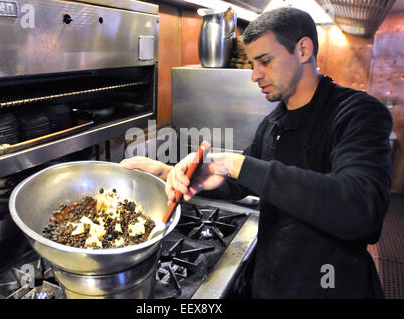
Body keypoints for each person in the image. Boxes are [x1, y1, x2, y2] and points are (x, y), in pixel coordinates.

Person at [120, 7, 393, 299]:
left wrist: (236, 164)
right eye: (252, 63)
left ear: (303, 49)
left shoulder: (356, 113)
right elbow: (241, 182)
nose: (254, 75)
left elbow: (362, 210)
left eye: (265, 61)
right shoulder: (275, 122)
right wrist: (168, 173)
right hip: (273, 281)